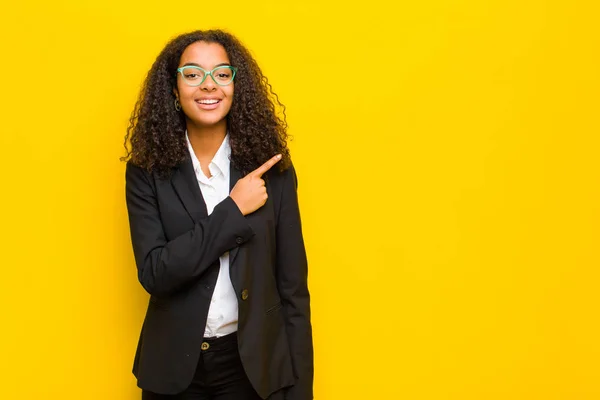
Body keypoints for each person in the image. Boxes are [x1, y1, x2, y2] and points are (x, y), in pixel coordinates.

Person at [122, 29, 313, 400]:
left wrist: (301, 391)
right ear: (174, 90)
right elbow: (156, 272)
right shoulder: (146, 171)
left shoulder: (273, 172)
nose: (208, 85)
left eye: (222, 74)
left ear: (236, 86)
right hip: (174, 372)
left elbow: (293, 291)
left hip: (253, 370)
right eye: (193, 74)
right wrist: (233, 210)